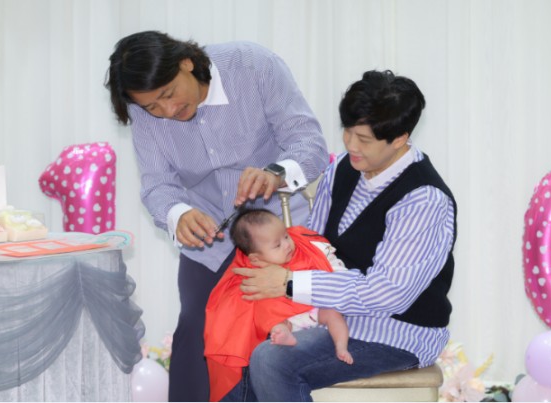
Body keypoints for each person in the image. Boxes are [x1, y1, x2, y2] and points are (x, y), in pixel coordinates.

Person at [104, 31, 328, 402]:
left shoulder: (253, 66)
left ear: (186, 62)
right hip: (209, 240)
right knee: (197, 332)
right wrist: (178, 214)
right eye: (153, 107)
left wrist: (276, 172)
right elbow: (157, 184)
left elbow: (309, 142)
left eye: (169, 94)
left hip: (277, 235)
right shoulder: (143, 108)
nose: (167, 111)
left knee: (274, 333)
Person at [233, 70, 457, 401]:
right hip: (330, 314)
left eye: (363, 139)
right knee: (235, 342)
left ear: (399, 138)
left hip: (395, 331)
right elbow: (314, 243)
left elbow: (386, 294)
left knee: (273, 361)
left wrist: (288, 282)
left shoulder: (423, 199)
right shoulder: (343, 168)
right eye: (347, 131)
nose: (351, 145)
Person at [204, 208, 352, 402]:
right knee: (270, 319)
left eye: (286, 236)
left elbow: (338, 273)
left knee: (333, 315)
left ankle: (342, 346)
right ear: (256, 258)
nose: (287, 244)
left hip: (318, 311)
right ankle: (283, 333)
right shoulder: (253, 272)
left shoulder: (309, 249)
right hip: (289, 321)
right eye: (277, 245)